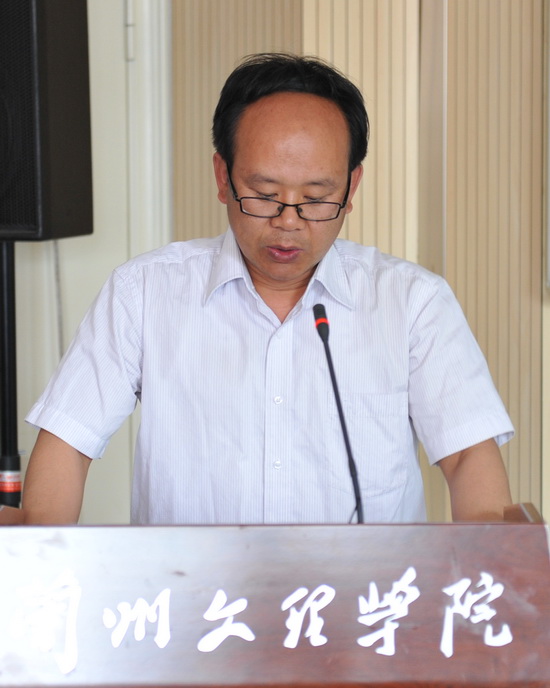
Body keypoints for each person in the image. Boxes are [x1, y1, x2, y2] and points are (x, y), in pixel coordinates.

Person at [1, 53, 513, 526]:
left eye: (317, 198)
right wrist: (42, 569)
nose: (289, 222)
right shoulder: (145, 292)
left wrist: (494, 577)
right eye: (264, 195)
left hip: (364, 593)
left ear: (351, 187)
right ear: (223, 177)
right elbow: (68, 440)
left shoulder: (413, 302)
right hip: (191, 591)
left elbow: (468, 454)